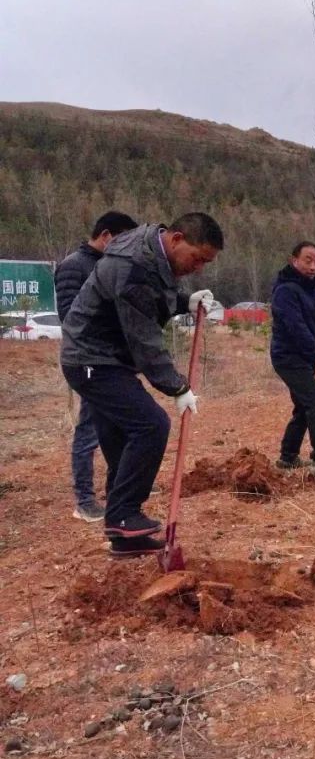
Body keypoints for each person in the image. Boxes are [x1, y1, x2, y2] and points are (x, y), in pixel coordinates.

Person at [61, 213, 223, 556]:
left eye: (205, 263)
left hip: (103, 359)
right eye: (197, 258)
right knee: (151, 425)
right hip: (92, 360)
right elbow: (144, 337)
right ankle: (123, 516)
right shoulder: (135, 262)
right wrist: (176, 386)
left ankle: (124, 539)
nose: (198, 268)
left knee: (121, 442)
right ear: (177, 239)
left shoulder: (152, 255)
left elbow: (149, 298)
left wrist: (184, 301)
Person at [55, 211, 138, 523]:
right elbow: (70, 317)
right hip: (89, 361)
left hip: (110, 361)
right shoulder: (73, 266)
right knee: (89, 430)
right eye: (123, 241)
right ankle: (85, 499)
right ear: (106, 236)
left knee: (114, 428)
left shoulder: (106, 265)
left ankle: (116, 487)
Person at [269, 241, 315, 475]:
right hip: (288, 358)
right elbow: (296, 327)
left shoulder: (312, 286)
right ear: (294, 260)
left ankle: (288, 457)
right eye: (308, 260)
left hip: (304, 358)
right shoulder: (285, 291)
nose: (313, 266)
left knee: (304, 406)